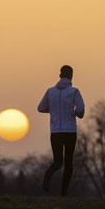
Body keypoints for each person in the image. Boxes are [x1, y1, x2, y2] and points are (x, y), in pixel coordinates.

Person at [37, 65, 85, 196]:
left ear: (59, 75)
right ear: (71, 76)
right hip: (70, 131)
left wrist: (54, 110)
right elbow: (80, 110)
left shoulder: (50, 91)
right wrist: (74, 113)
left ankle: (48, 173)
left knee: (58, 162)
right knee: (68, 163)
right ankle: (63, 194)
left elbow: (40, 108)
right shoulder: (74, 91)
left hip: (55, 131)